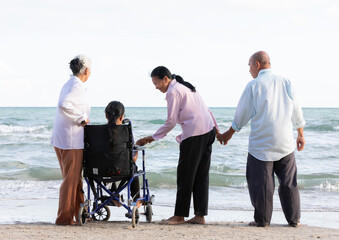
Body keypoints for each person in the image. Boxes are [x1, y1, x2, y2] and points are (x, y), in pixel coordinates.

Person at [217, 51, 306, 227]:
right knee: (289, 184)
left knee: (261, 185)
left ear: (257, 64)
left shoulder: (253, 85)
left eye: (249, 65)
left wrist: (229, 133)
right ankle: (294, 220)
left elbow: (242, 113)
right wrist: (300, 133)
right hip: (285, 142)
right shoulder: (287, 82)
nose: (249, 70)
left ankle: (263, 220)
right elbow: (296, 110)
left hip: (261, 145)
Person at [136, 66, 218, 225]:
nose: (156, 87)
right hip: (208, 131)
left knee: (185, 176)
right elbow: (207, 110)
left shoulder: (173, 91)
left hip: (195, 134)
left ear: (165, 79)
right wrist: (218, 131)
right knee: (201, 176)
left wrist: (151, 138)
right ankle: (200, 216)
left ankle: (179, 215)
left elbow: (171, 121)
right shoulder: (186, 87)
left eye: (156, 83)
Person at [51, 55, 91, 225]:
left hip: (62, 138)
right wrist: (81, 118)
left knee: (74, 178)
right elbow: (63, 104)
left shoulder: (69, 83)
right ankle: (64, 218)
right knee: (71, 179)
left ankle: (79, 214)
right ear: (86, 70)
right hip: (70, 139)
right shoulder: (77, 85)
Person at [104, 100, 142, 208]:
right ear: (122, 117)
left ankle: (114, 196)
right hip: (124, 169)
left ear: (106, 115)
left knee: (106, 167)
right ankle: (136, 199)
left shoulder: (96, 132)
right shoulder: (126, 132)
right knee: (133, 168)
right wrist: (136, 151)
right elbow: (133, 159)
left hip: (101, 171)